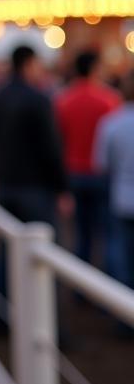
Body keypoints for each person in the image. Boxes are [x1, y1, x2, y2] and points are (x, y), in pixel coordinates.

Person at [0, 44, 71, 332]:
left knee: (7, 253)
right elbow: (50, 149)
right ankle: (49, 326)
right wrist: (61, 188)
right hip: (36, 189)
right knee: (44, 257)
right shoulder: (38, 99)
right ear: (29, 64)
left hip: (6, 185)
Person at [55, 50, 120, 275]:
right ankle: (110, 289)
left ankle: (81, 288)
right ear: (94, 68)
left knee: (81, 235)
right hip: (102, 175)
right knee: (109, 236)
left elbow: (58, 141)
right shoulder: (109, 100)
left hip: (73, 174)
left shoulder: (63, 100)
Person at [94, 71, 134, 292]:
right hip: (122, 196)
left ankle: (122, 311)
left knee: (121, 254)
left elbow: (101, 163)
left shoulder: (111, 123)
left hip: (122, 197)